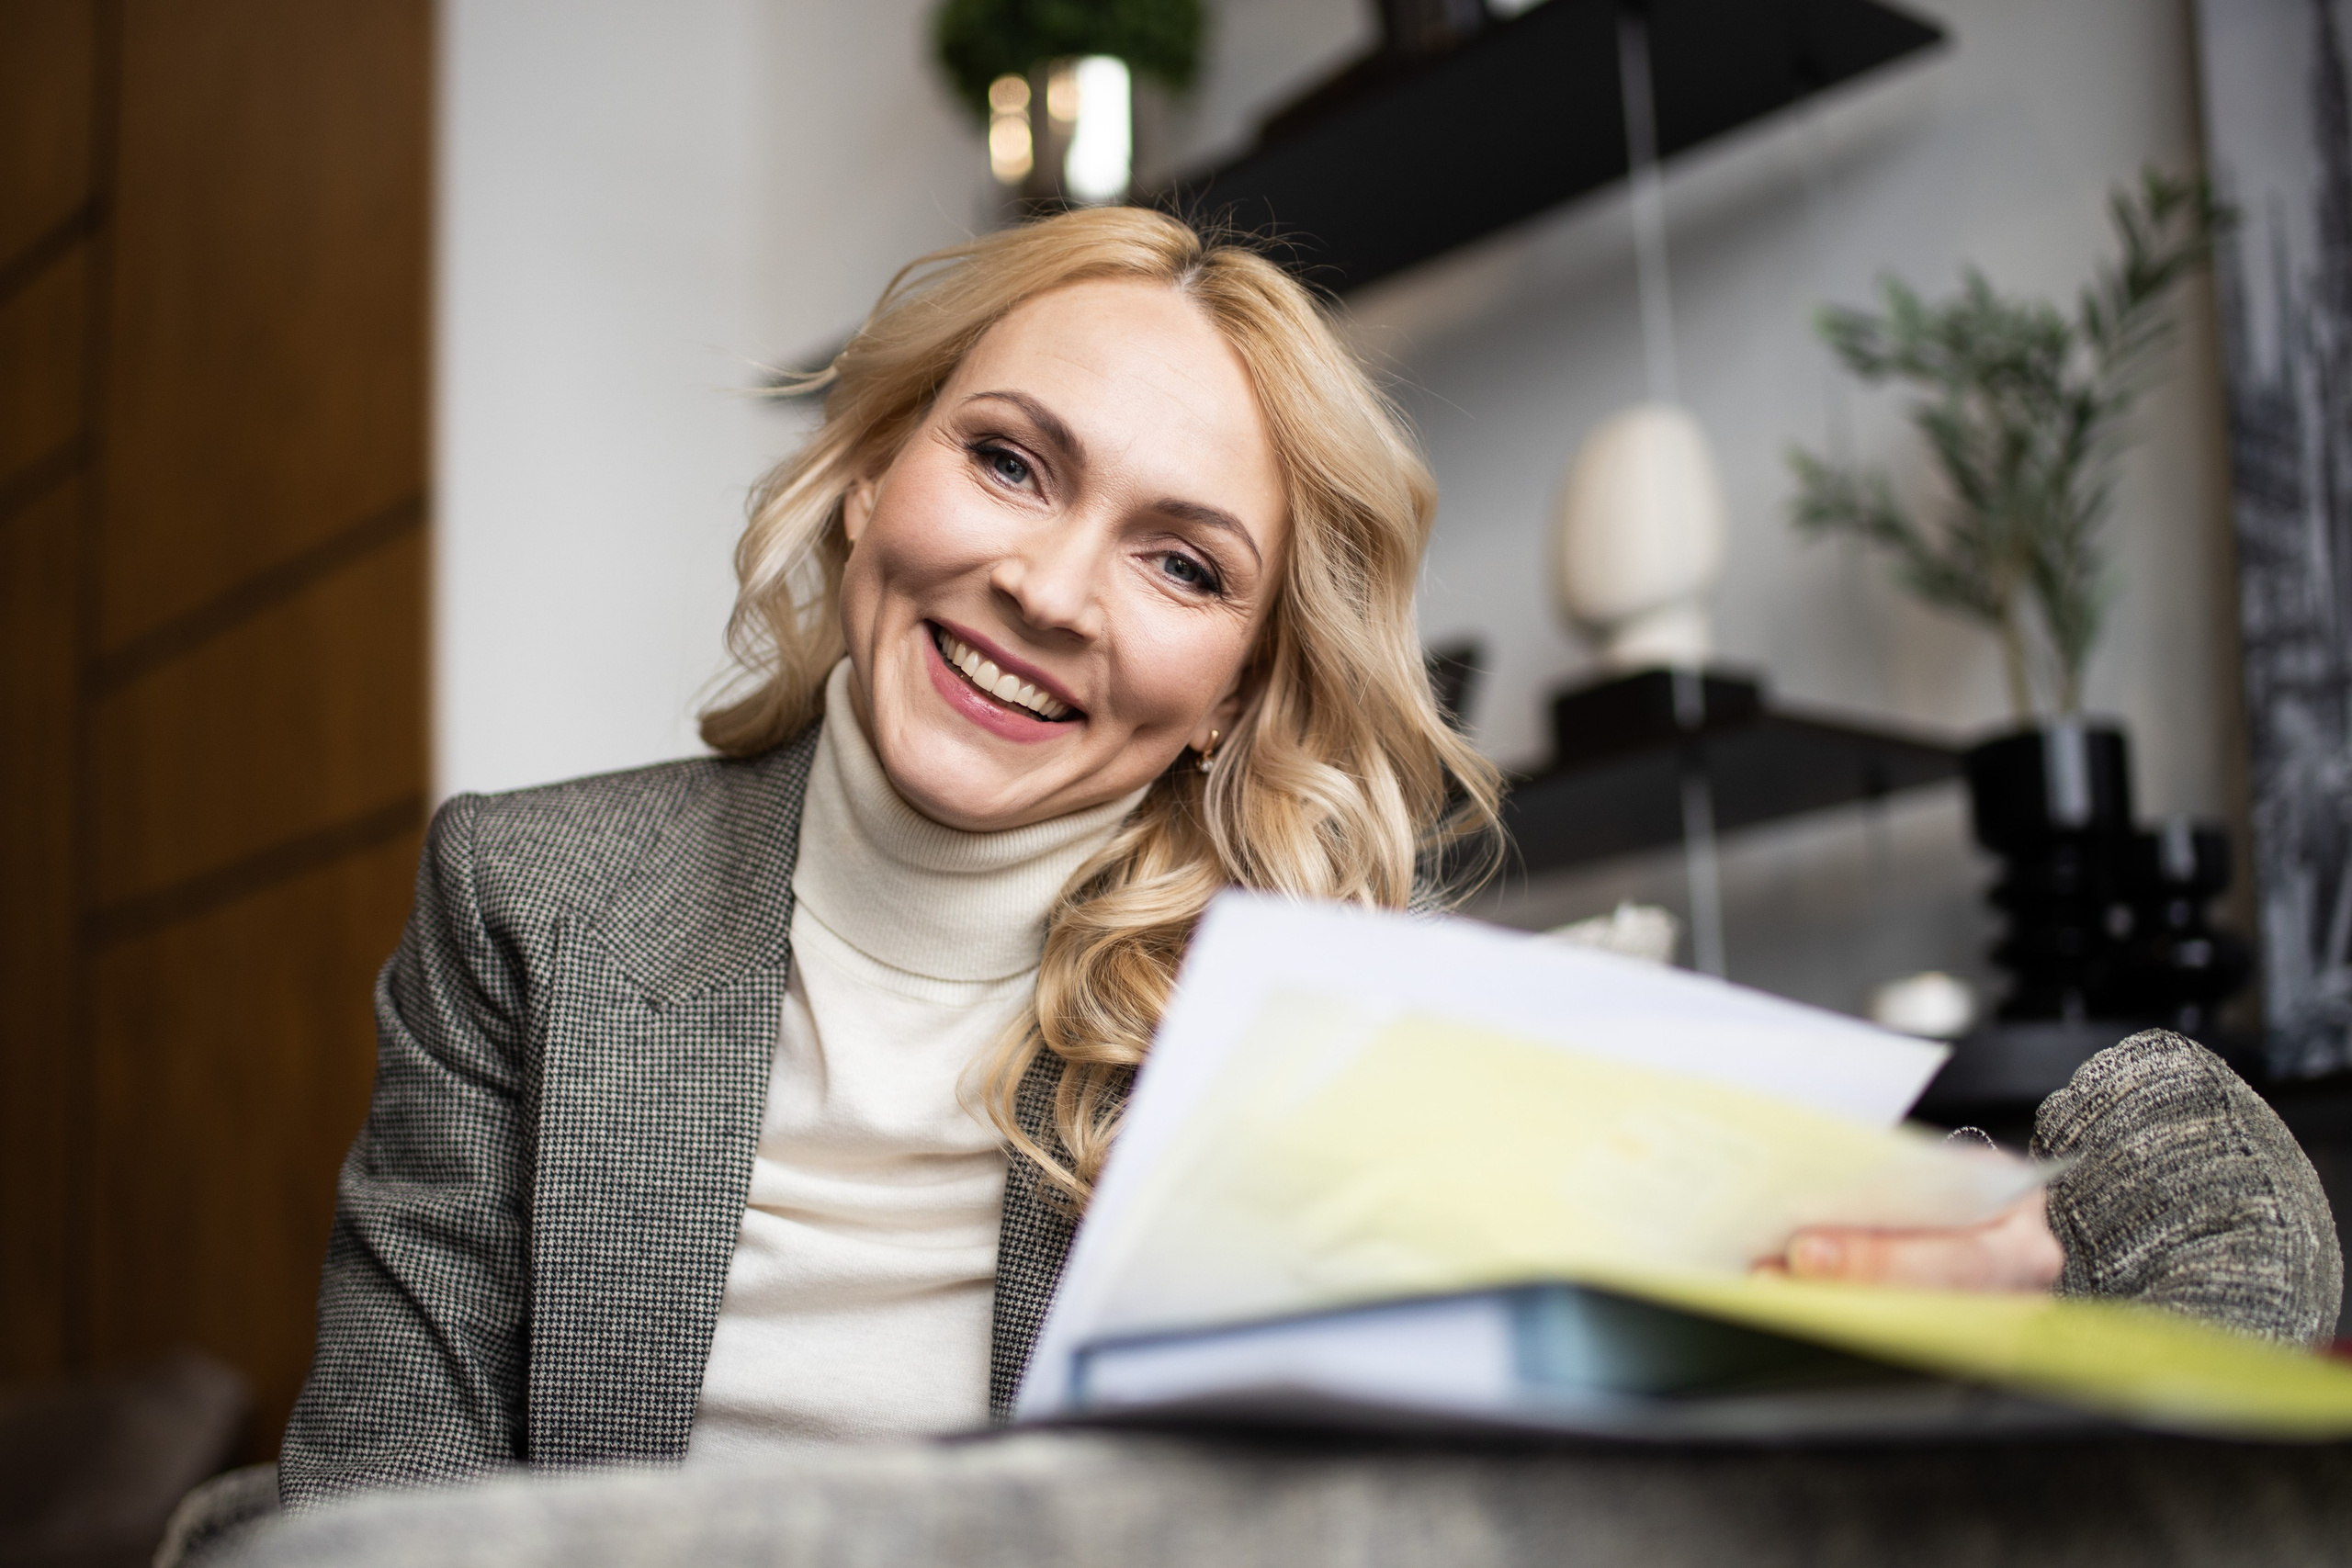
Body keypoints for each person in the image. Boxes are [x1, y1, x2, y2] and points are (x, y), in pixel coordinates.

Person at [279, 208, 2338, 1510]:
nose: (1049, 586)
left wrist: (1959, 1261)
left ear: (1238, 683)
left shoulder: (1319, 1012)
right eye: (1006, 458)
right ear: (868, 478)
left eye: (1181, 560)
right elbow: (381, 1490)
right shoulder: (529, 901)